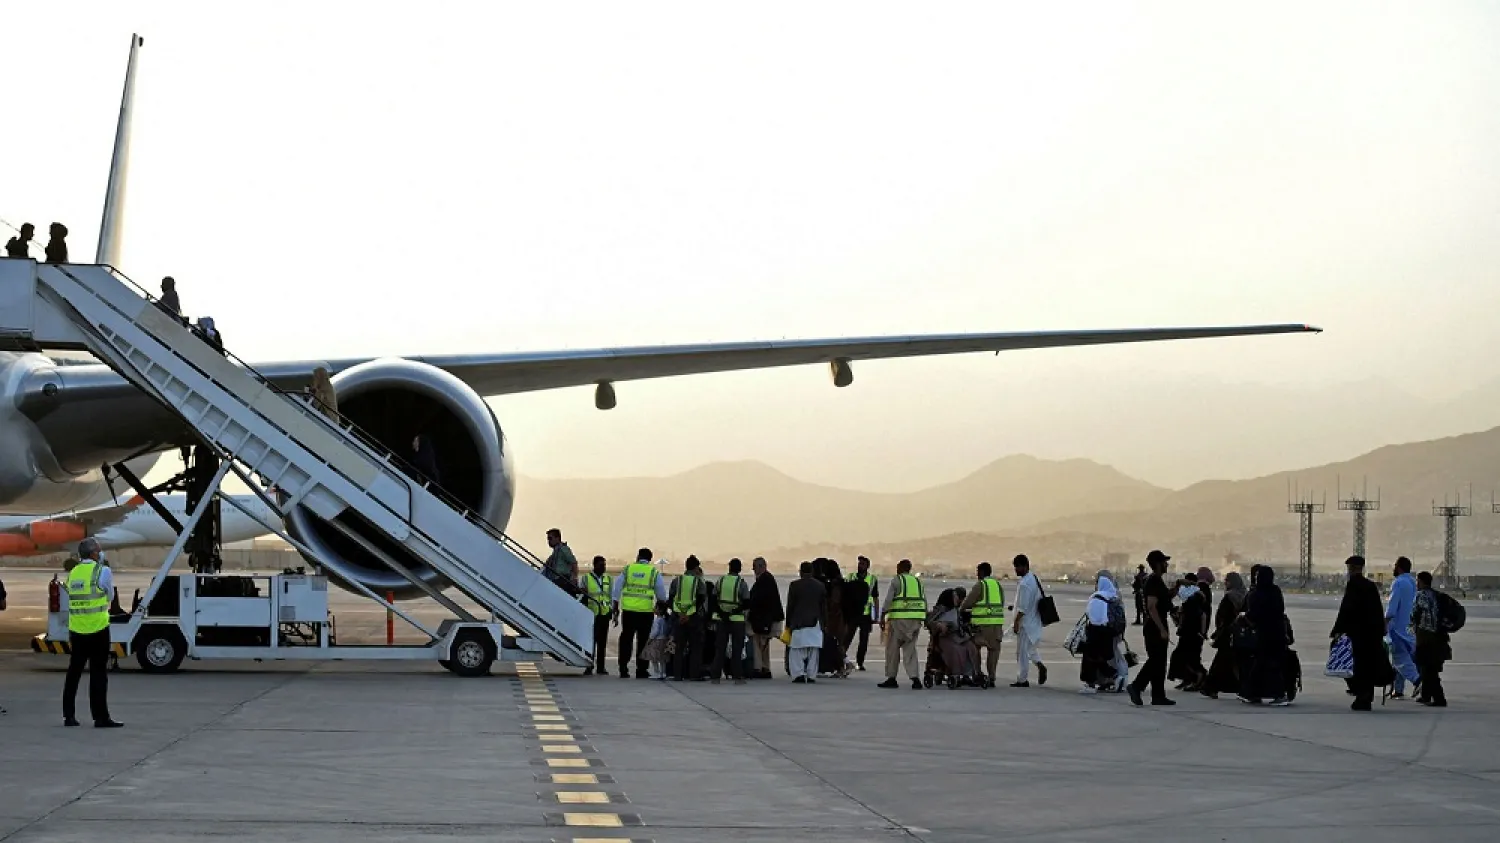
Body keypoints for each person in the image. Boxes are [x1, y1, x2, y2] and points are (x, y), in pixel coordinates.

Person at [62, 539, 122, 728]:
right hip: (97, 629)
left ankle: (69, 716)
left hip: (77, 630)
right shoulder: (102, 571)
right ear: (94, 554)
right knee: (98, 674)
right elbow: (110, 597)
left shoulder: (73, 573)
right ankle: (100, 717)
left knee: (74, 673)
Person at [1331, 555, 1391, 712]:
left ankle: (1361, 695)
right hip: (1371, 634)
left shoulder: (1353, 585)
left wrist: (1338, 630)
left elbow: (1346, 609)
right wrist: (1380, 630)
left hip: (1357, 634)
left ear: (1353, 568)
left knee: (1353, 665)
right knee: (1368, 665)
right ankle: (1365, 696)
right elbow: (1378, 610)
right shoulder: (1370, 586)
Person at [1128, 549, 1175, 706]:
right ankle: (1136, 686)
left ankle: (1158, 696)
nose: (1166, 564)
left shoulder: (1156, 580)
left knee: (1160, 661)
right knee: (1156, 660)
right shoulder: (1153, 580)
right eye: (1164, 562)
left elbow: (1165, 598)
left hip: (1156, 624)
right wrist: (1161, 629)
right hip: (1154, 626)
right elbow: (1152, 607)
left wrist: (1179, 587)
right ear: (1158, 564)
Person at [611, 548, 667, 679]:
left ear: (638, 556)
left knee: (626, 639)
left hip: (629, 611)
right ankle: (641, 669)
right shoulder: (653, 572)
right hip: (645, 612)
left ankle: (623, 668)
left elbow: (617, 587)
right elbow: (661, 593)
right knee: (643, 641)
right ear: (650, 559)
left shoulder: (628, 569)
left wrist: (615, 604)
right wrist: (662, 607)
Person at [1240, 565, 1289, 706]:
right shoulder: (1275, 591)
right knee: (1268, 664)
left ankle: (1276, 694)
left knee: (1263, 664)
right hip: (1278, 632)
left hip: (1264, 633)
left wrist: (1244, 618)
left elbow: (1254, 614)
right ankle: (1255, 694)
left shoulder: (1256, 594)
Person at [877, 559, 927, 689]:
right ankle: (915, 678)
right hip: (915, 621)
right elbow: (924, 601)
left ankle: (892, 678)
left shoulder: (897, 580)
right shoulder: (917, 582)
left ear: (899, 568)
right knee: (910, 650)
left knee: (892, 649)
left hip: (898, 621)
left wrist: (882, 615)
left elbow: (889, 600)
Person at [1201, 571, 1248, 699]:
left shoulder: (1229, 597)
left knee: (1221, 663)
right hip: (1242, 634)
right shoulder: (1245, 595)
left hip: (1228, 634)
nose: (1225, 583)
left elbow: (1221, 617)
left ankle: (1210, 687)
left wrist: (1220, 630)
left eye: (1227, 581)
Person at [958, 561, 1005, 686]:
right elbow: (1002, 602)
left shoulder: (981, 585)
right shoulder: (997, 585)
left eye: (978, 571)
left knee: (974, 647)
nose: (977, 574)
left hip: (982, 625)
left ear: (983, 572)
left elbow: (968, 602)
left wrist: (959, 610)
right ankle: (992, 678)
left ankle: (977, 673)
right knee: (993, 651)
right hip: (997, 625)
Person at [1410, 571, 1449, 707]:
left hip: (1425, 636)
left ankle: (1439, 698)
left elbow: (1414, 615)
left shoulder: (1420, 595)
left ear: (1420, 581)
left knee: (1427, 668)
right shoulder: (1437, 595)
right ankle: (1425, 695)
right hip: (1439, 636)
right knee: (1429, 666)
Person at [785, 561, 827, 683]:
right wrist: (824, 623)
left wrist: (788, 624)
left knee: (796, 651)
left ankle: (798, 674)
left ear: (800, 572)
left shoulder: (794, 585)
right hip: (815, 623)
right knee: (813, 651)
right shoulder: (820, 586)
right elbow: (823, 607)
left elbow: (790, 606)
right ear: (812, 571)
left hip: (798, 622)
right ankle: (811, 675)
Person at [711, 558, 751, 685]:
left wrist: (722, 613)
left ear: (729, 567)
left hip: (721, 619)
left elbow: (713, 599)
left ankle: (715, 676)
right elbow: (746, 602)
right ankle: (737, 676)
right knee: (737, 649)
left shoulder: (721, 581)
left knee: (720, 648)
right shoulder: (741, 583)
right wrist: (732, 612)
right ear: (739, 568)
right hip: (737, 619)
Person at [1385, 556, 1420, 700]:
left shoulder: (1398, 583)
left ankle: (1418, 680)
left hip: (1398, 628)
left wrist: (1385, 621)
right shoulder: (1413, 582)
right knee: (1406, 658)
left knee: (1399, 659)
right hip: (1410, 628)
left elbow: (1392, 606)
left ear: (1398, 567)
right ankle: (1398, 689)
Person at [1010, 554, 1047, 687]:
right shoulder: (1033, 578)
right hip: (1034, 620)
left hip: (1025, 623)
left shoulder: (1025, 584)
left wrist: (1016, 622)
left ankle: (1022, 679)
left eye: (1017, 567)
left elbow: (1023, 608)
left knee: (1022, 653)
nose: (1015, 570)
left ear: (1024, 566)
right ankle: (1040, 664)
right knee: (1030, 649)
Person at [1079, 572, 1119, 694]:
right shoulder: (1112, 597)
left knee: (1090, 659)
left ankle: (1092, 683)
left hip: (1095, 631)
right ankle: (1111, 677)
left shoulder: (1097, 597)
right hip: (1107, 632)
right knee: (1100, 658)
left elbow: (1092, 615)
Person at [669, 556, 707, 682]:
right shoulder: (698, 582)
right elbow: (701, 600)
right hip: (694, 618)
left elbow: (671, 599)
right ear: (696, 567)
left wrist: (680, 614)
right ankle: (694, 674)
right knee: (696, 647)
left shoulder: (677, 581)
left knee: (679, 648)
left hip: (679, 618)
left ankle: (677, 675)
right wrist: (689, 614)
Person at [1168, 572, 1208, 692]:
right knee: (1187, 658)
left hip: (1190, 634)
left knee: (1187, 658)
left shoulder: (1193, 600)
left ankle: (1198, 677)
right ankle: (1191, 679)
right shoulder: (1193, 601)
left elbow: (1199, 616)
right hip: (1192, 634)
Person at [746, 557, 783, 679]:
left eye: (755, 568)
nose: (754, 571)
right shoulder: (768, 579)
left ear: (761, 567)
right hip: (769, 619)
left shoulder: (763, 581)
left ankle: (758, 668)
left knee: (758, 644)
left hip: (763, 619)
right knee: (764, 645)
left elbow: (758, 601)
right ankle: (765, 668)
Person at [580, 556, 612, 676]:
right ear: (594, 565)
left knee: (602, 643)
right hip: (591, 614)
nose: (603, 567)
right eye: (601, 565)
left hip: (604, 613)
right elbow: (582, 593)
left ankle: (601, 667)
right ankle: (589, 666)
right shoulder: (586, 578)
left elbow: (610, 595)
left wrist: (612, 610)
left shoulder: (608, 578)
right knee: (590, 642)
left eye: (604, 565)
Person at [845, 556, 879, 671]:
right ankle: (841, 659)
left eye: (863, 564)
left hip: (866, 614)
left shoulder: (872, 579)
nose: (860, 566)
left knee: (864, 640)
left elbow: (875, 598)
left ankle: (860, 662)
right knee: (847, 638)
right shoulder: (850, 577)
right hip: (852, 613)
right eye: (859, 563)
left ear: (867, 566)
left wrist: (876, 616)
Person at [642, 602, 672, 680]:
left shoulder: (657, 621)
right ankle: (663, 673)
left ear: (660, 610)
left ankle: (656, 672)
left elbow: (655, 631)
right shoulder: (664, 620)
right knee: (662, 659)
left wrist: (650, 639)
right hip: (663, 640)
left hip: (656, 641)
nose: (654, 609)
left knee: (654, 658)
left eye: (656, 607)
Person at [543, 528, 578, 593]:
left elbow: (574, 563)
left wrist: (574, 578)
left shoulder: (563, 549)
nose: (548, 541)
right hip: (555, 580)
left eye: (550, 538)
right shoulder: (556, 552)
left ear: (557, 538)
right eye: (548, 539)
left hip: (562, 580)